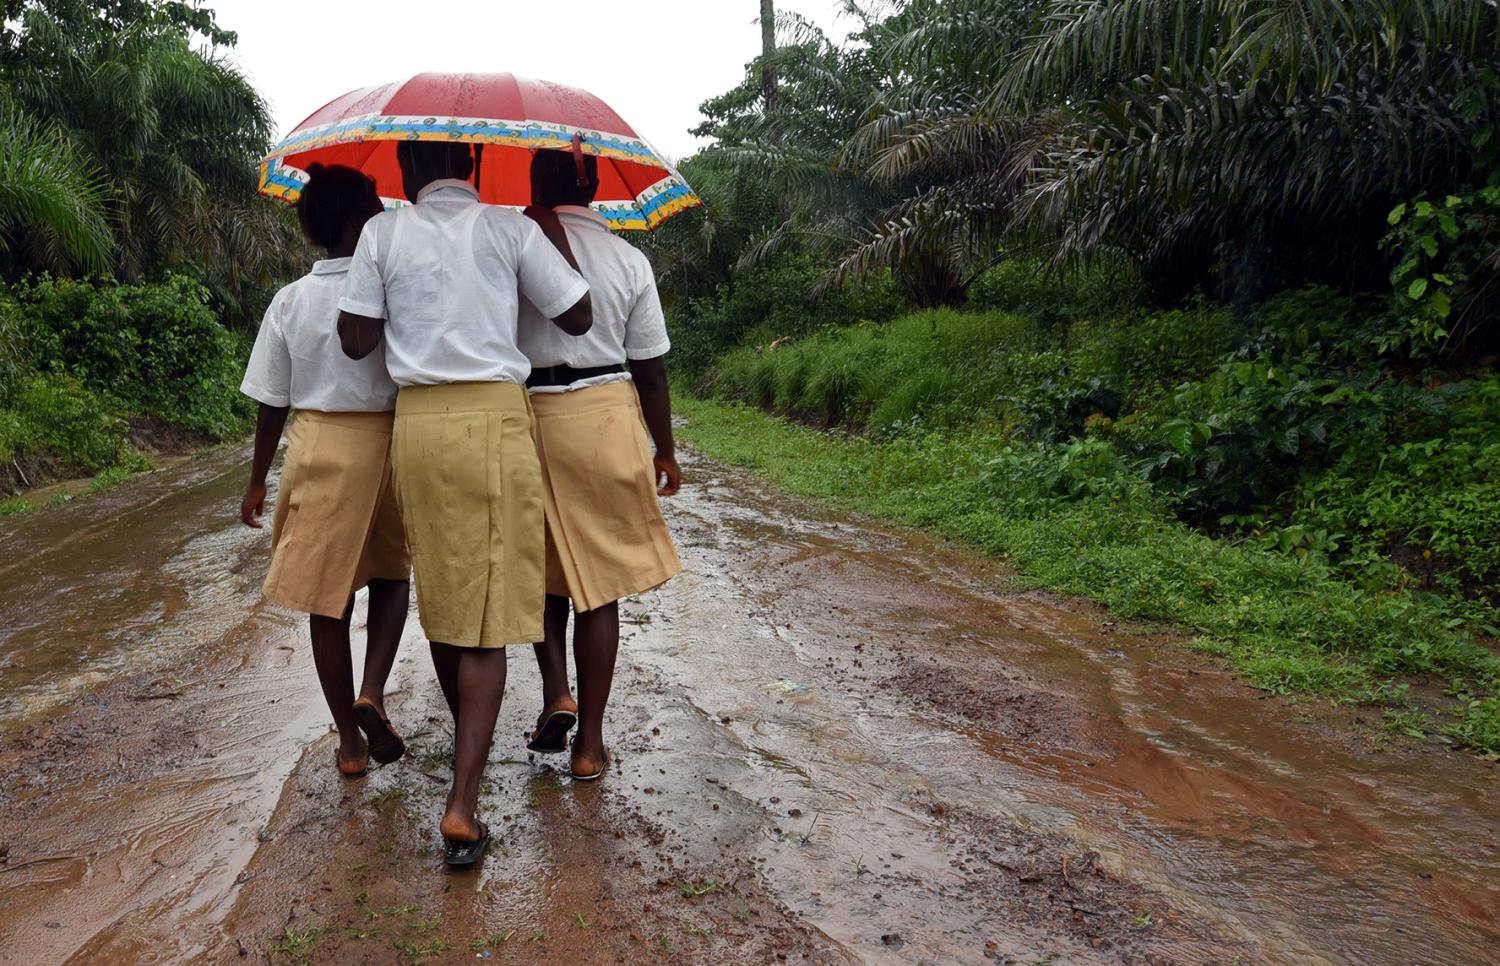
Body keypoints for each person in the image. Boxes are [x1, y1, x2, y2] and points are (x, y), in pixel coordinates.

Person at [336, 139, 592, 866]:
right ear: (474, 158)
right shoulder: (511, 227)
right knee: (486, 616)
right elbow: (577, 315)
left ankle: (464, 773)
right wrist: (542, 235)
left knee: (449, 598)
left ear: (407, 167)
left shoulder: (382, 232)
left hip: (417, 423)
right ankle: (462, 804)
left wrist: (390, 289)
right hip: (494, 417)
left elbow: (356, 341)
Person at [239, 163, 412, 780]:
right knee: (392, 577)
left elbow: (271, 400)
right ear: (357, 220)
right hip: (388, 446)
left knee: (326, 603)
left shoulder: (289, 301)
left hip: (315, 448)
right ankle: (372, 688)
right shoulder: (391, 294)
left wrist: (259, 479)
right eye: (374, 204)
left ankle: (348, 740)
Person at [517, 146, 683, 782]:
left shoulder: (517, 247)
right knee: (599, 587)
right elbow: (652, 366)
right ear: (590, 183)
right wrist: (663, 448)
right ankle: (590, 744)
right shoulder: (630, 260)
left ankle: (557, 688)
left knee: (543, 571)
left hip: (531, 413)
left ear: (533, 182)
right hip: (609, 412)